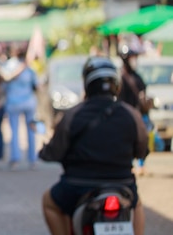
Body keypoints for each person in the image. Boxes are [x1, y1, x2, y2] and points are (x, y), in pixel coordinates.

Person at [39, 56, 148, 235]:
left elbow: (55, 151)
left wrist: (45, 151)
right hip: (123, 185)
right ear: (116, 85)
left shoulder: (72, 115)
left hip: (77, 186)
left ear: (87, 85)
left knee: (49, 203)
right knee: (136, 204)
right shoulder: (132, 114)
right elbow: (142, 149)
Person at [2, 45, 38, 170]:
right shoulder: (29, 67)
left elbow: (4, 86)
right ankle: (32, 159)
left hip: (13, 103)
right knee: (31, 131)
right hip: (29, 102)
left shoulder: (7, 66)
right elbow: (36, 85)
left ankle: (15, 158)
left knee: (14, 131)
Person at [117, 45, 151, 175]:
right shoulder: (120, 77)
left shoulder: (137, 76)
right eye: (132, 58)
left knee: (143, 140)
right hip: (127, 116)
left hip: (139, 115)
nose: (134, 60)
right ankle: (129, 164)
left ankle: (141, 165)